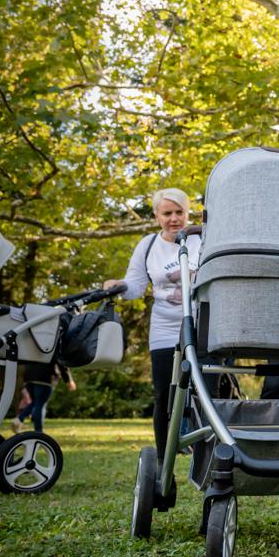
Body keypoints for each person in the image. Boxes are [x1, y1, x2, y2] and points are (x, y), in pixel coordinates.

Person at [106, 188, 205, 463]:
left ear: (188, 213)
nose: (174, 219)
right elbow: (135, 285)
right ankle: (163, 463)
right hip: (164, 327)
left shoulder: (203, 240)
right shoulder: (148, 245)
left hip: (203, 324)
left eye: (179, 212)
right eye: (167, 213)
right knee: (164, 395)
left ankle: (208, 458)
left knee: (206, 393)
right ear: (156, 216)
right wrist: (118, 285)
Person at [12, 361, 73, 433]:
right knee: (40, 404)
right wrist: (68, 380)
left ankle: (19, 419)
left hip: (29, 376)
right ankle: (39, 431)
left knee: (35, 403)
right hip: (45, 377)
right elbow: (61, 361)